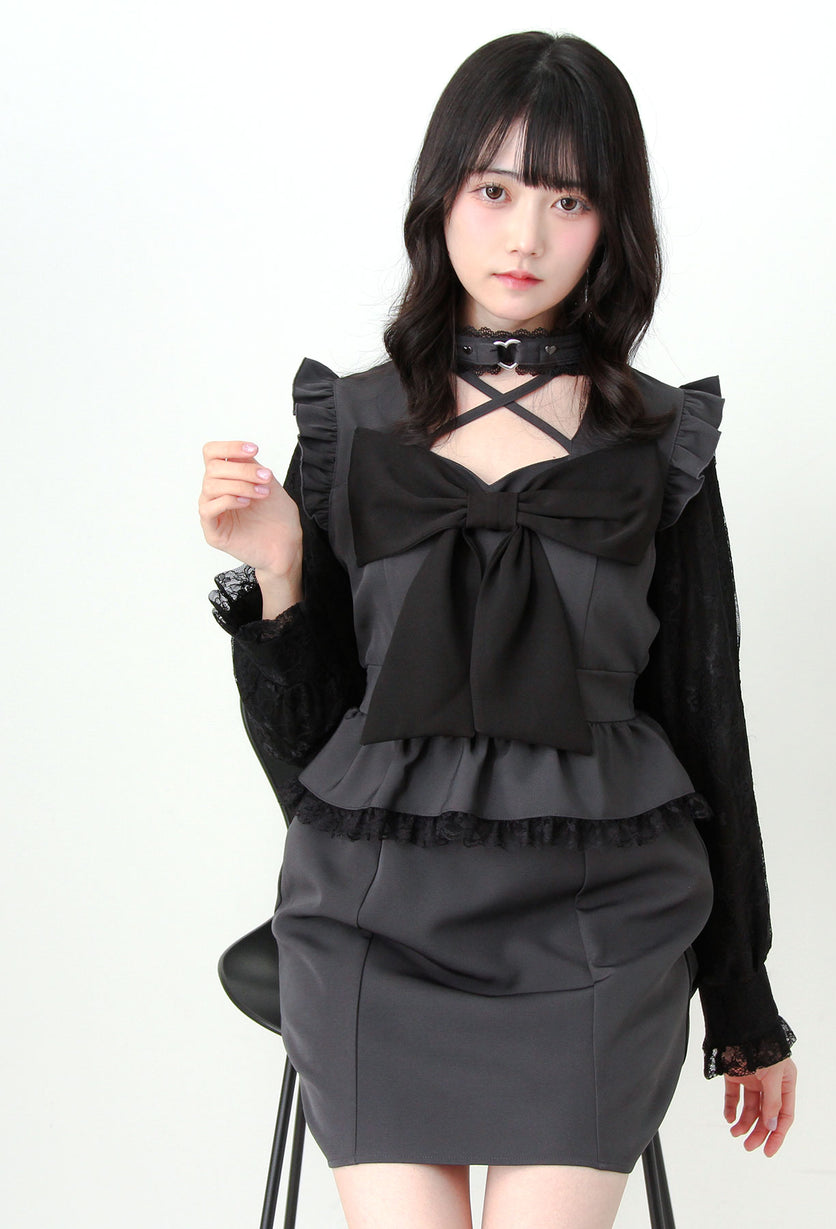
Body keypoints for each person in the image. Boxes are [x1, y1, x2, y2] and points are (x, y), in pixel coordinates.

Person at [199, 30, 796, 1229]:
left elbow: (705, 719)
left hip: (598, 920)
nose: (525, 236)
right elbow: (315, 757)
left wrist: (743, 998)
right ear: (443, 196)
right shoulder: (350, 426)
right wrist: (277, 567)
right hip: (373, 925)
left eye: (567, 199)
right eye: (495, 189)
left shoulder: (658, 444)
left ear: (612, 223)